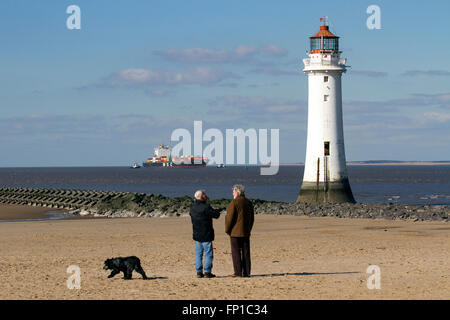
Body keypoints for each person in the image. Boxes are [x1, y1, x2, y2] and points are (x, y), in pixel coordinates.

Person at [189, 189, 222, 278]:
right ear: (200, 196)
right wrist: (216, 211)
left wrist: (214, 211)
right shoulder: (206, 207)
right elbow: (216, 215)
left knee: (198, 254)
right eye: (204, 195)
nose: (206, 196)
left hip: (197, 233)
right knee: (208, 253)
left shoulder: (192, 207)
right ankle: (207, 272)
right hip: (206, 233)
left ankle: (199, 272)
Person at [225, 184, 254, 277]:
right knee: (246, 252)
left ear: (237, 192)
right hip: (245, 231)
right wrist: (249, 228)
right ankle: (246, 272)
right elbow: (252, 218)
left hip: (235, 232)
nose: (232, 193)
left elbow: (229, 218)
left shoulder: (234, 203)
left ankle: (238, 272)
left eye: (233, 191)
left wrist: (227, 230)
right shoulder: (248, 202)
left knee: (236, 252)